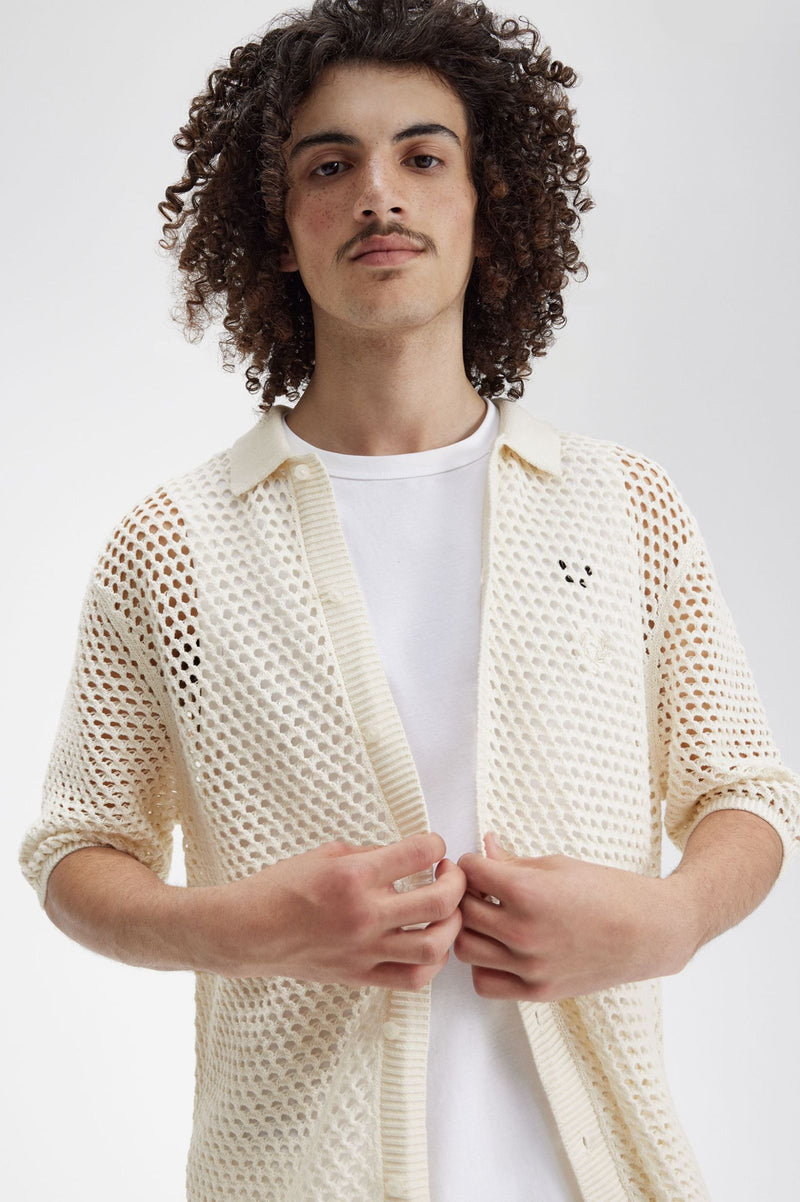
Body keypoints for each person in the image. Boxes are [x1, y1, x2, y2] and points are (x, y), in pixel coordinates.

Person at [18, 1, 800, 1199]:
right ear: (279, 230)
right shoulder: (174, 544)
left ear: (488, 208)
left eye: (423, 158)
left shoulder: (621, 506)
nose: (378, 194)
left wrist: (671, 918)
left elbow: (744, 788)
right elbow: (79, 848)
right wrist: (252, 927)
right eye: (329, 166)